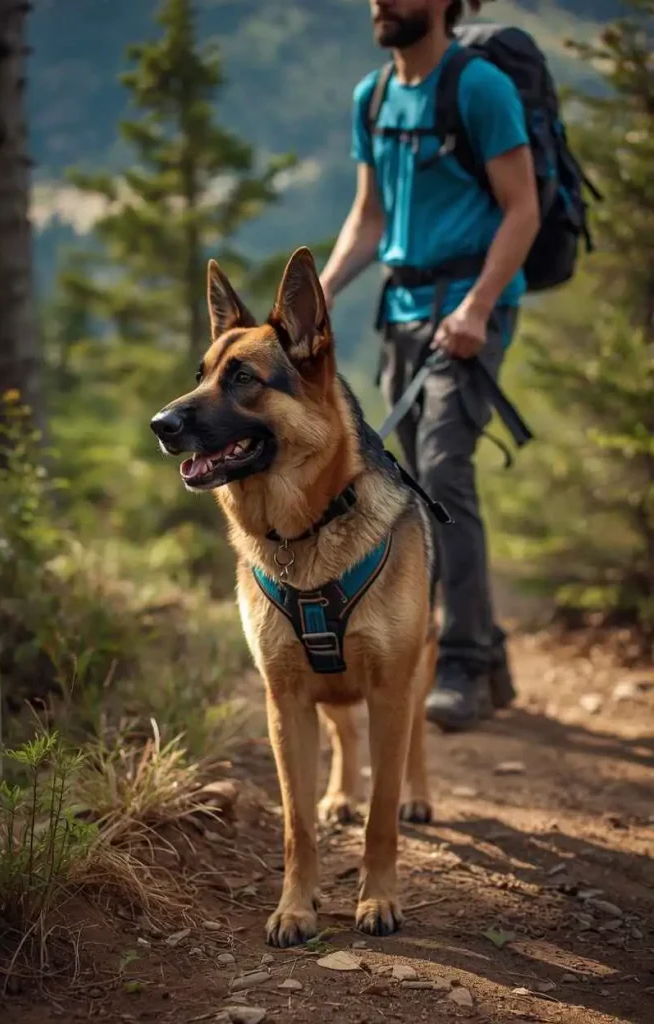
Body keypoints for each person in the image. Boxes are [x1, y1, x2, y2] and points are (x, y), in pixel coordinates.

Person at [319, 0, 540, 732]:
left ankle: (463, 665)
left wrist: (477, 307)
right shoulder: (372, 95)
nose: (383, 1)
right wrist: (309, 305)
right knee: (406, 480)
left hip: (471, 313)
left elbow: (521, 210)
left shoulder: (477, 88)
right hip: (402, 313)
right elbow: (368, 221)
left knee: (442, 473)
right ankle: (492, 657)